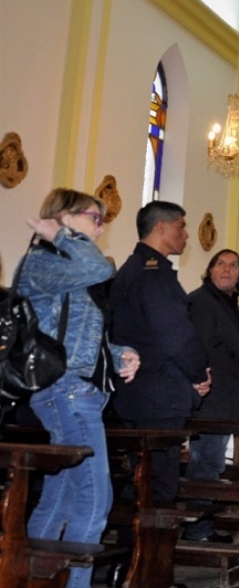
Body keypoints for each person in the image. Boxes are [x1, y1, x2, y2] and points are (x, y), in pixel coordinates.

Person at [14, 189, 140, 588]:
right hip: (66, 390)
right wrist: (62, 234)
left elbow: (75, 335)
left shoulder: (69, 267)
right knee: (95, 498)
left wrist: (119, 354)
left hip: (79, 390)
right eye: (94, 218)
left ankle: (30, 581)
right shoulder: (42, 262)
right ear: (63, 216)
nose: (101, 228)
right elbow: (100, 267)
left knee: (64, 495)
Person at [110, 201, 210, 505]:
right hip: (158, 396)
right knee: (157, 488)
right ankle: (142, 539)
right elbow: (175, 337)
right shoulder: (153, 275)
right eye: (181, 226)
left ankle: (133, 536)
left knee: (142, 482)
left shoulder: (132, 269)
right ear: (161, 227)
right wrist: (199, 372)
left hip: (138, 393)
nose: (186, 234)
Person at [184, 249, 239, 543]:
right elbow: (210, 348)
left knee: (212, 464)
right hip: (210, 399)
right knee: (205, 464)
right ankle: (197, 530)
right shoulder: (201, 301)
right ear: (210, 270)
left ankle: (201, 527)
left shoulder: (228, 303)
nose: (227, 269)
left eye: (233, 265)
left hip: (225, 397)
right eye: (220, 264)